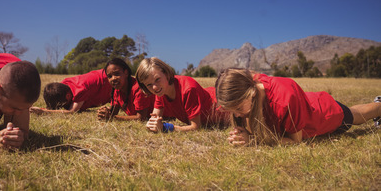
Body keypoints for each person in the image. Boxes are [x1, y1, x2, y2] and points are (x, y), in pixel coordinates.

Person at [215, 68, 381, 146]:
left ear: (250, 94)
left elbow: (296, 142)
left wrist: (252, 140)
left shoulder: (284, 98)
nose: (235, 115)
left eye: (237, 108)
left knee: (354, 115)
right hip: (306, 103)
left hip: (325, 114)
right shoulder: (250, 83)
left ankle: (379, 106)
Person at [135, 57, 230, 132]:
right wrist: (152, 124)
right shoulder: (161, 91)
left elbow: (196, 127)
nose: (154, 87)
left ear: (167, 74)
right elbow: (154, 119)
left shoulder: (188, 89)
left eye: (157, 79)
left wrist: (166, 127)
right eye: (149, 85)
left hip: (224, 106)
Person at [30, 69, 111, 114]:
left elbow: (71, 112)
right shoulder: (62, 86)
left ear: (68, 96)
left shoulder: (80, 90)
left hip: (109, 81)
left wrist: (44, 112)